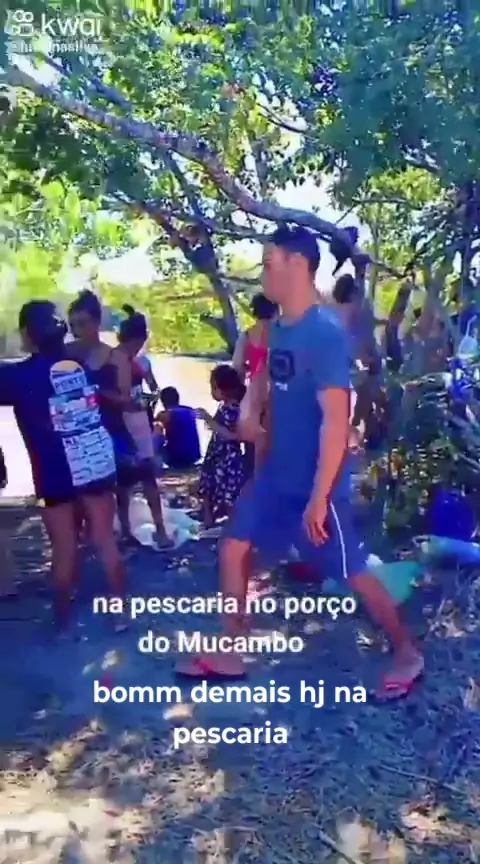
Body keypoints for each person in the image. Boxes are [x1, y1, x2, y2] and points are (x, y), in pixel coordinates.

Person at [176, 226, 424, 699]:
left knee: (353, 571)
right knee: (233, 548)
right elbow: (265, 375)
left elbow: (336, 421)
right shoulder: (279, 328)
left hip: (317, 485)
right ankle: (231, 650)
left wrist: (319, 497)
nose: (263, 273)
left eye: (269, 263)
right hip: (275, 478)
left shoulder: (324, 333)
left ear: (296, 265)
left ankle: (407, 651)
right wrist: (250, 409)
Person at [0, 300, 125, 628]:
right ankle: (120, 615)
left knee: (64, 548)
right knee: (105, 540)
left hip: (53, 472)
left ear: (27, 334)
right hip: (94, 464)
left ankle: (63, 621)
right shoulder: (79, 365)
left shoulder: (16, 377)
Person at [115, 306, 172, 549]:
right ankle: (128, 531)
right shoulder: (116, 360)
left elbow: (153, 389)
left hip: (138, 422)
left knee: (144, 477)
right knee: (124, 481)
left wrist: (148, 400)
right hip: (123, 423)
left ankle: (155, 529)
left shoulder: (139, 361)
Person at [196, 365, 247, 527]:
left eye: (214, 388)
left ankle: (234, 526)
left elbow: (234, 436)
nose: (211, 392)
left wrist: (209, 420)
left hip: (228, 456)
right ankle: (209, 520)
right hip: (216, 453)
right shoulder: (224, 407)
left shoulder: (234, 409)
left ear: (224, 390)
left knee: (229, 492)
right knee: (208, 487)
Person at [154, 386, 201, 470]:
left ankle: (154, 467)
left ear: (163, 402)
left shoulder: (165, 414)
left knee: (156, 431)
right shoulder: (189, 410)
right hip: (194, 455)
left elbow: (150, 425)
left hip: (177, 457)